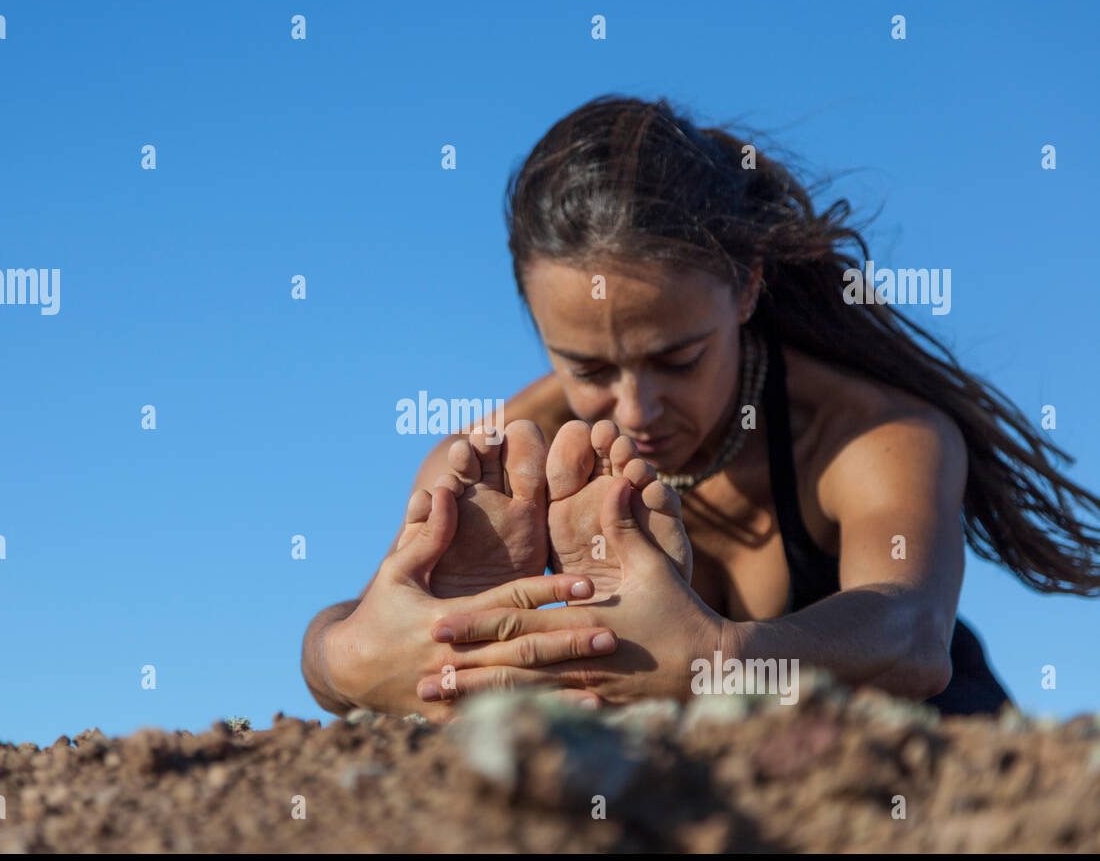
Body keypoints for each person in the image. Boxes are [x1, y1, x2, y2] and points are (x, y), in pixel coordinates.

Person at [301, 94, 1100, 723]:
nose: (637, 407)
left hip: (922, 772)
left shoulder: (868, 433)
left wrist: (721, 656)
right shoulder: (499, 460)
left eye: (677, 358)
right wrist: (348, 656)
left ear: (747, 286)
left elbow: (912, 638)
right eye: (588, 367)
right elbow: (344, 632)